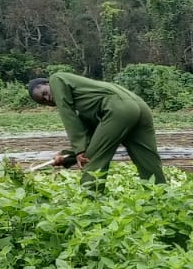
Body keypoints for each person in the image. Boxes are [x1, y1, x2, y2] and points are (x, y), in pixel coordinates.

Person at [26, 73, 166, 185]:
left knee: (91, 160)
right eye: (43, 101)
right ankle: (159, 197)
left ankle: (90, 205)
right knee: (148, 159)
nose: (48, 98)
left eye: (44, 93)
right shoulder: (85, 103)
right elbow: (94, 139)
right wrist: (68, 156)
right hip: (137, 105)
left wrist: (80, 150)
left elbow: (67, 114)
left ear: (47, 84)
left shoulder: (56, 79)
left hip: (118, 108)